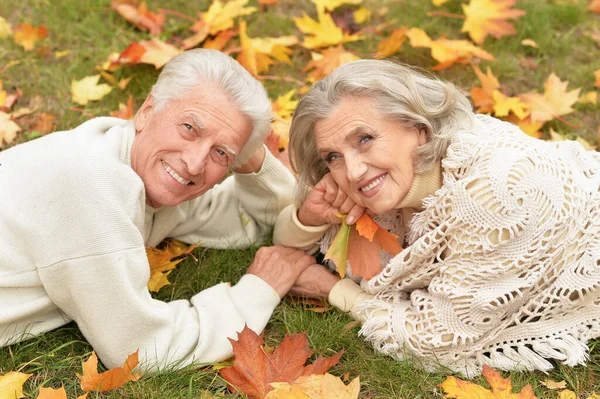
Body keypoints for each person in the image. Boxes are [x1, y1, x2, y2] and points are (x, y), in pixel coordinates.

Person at [275, 59, 600, 376]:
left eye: (365, 139)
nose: (353, 171)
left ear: (419, 128)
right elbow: (288, 253)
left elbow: (438, 343)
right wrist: (309, 217)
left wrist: (335, 292)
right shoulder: (387, 187)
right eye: (333, 157)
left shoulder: (491, 194)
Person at [0, 49, 315, 372]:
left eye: (220, 153)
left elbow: (249, 219)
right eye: (190, 128)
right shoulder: (91, 183)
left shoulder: (133, 162)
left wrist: (251, 156)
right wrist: (257, 290)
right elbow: (139, 349)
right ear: (148, 111)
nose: (194, 163)